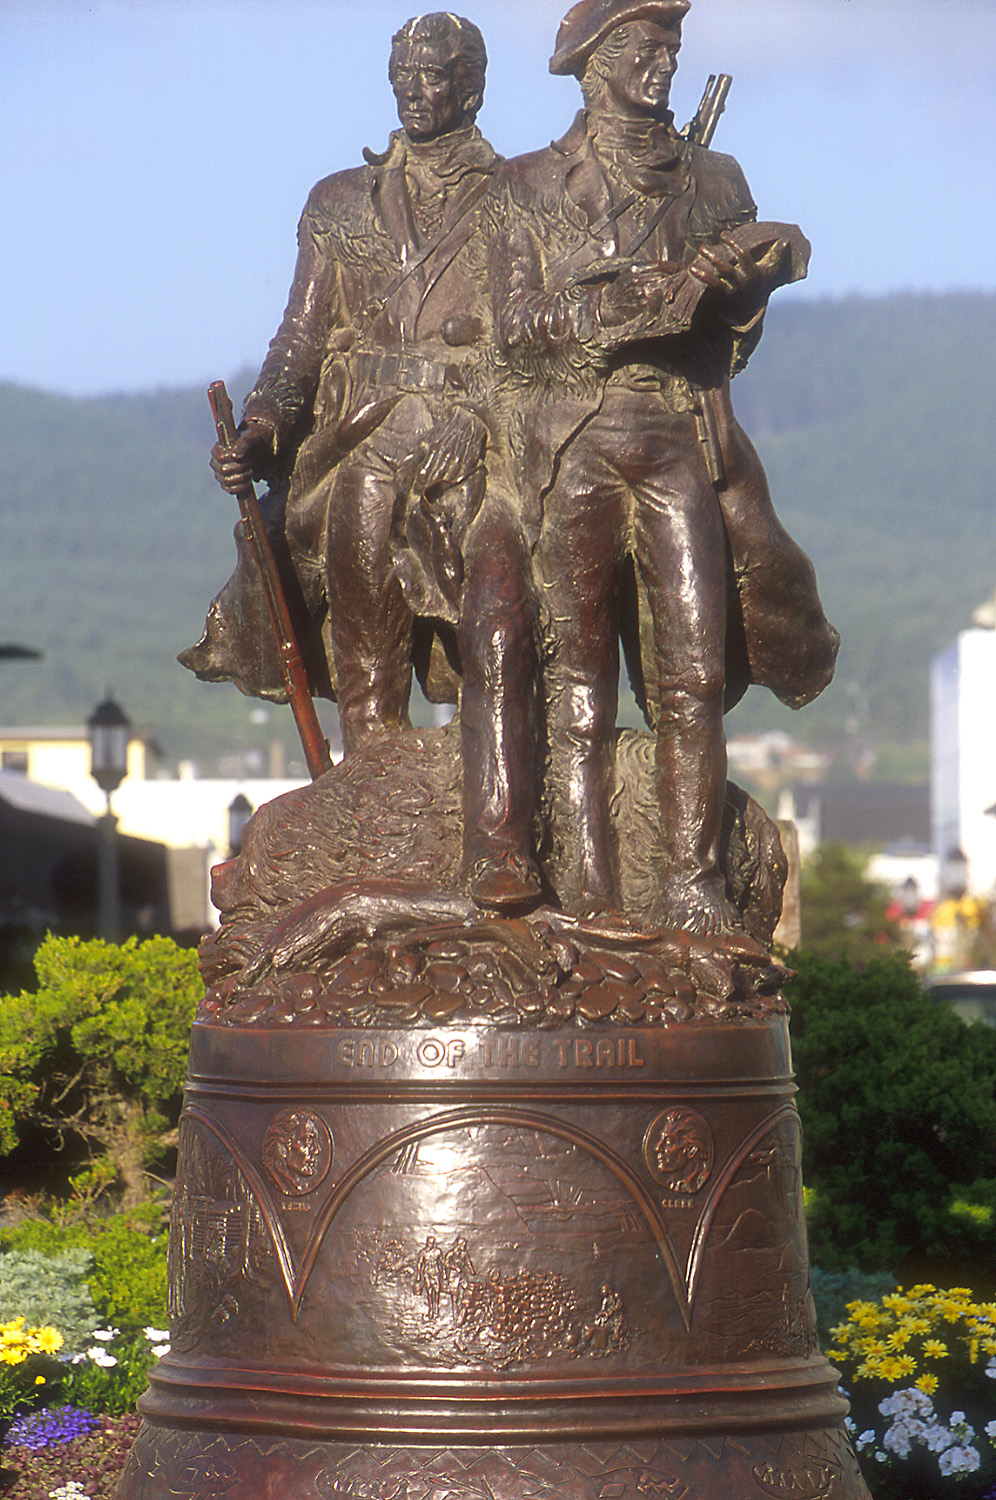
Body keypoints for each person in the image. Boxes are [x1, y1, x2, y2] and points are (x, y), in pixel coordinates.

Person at [485, 0, 838, 932]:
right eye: (646, 47)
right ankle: (591, 894)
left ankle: (692, 884)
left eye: (672, 47)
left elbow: (770, 271)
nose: (664, 64)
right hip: (574, 445)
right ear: (595, 62)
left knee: (691, 676)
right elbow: (511, 330)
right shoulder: (527, 186)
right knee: (579, 686)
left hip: (678, 438)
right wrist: (620, 305)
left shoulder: (713, 177)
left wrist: (730, 276)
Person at [182, 13, 500, 758]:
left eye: (431, 78)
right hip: (362, 433)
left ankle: (497, 784)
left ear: (471, 88)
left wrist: (480, 416)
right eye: (402, 80)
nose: (413, 94)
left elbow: (528, 340)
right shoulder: (337, 201)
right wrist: (261, 426)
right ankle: (372, 771)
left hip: (471, 432)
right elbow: (300, 338)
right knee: (360, 598)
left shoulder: (517, 198)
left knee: (500, 610)